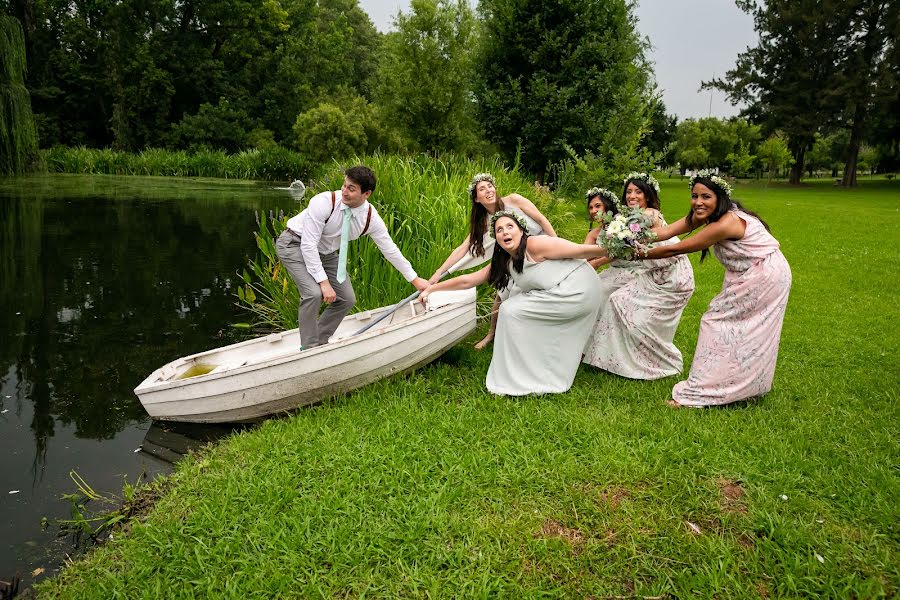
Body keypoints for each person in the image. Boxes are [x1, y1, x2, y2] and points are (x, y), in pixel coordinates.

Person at [640, 171, 791, 407]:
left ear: (719, 198)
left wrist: (637, 254)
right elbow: (667, 233)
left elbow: (676, 249)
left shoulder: (726, 222)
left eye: (706, 196)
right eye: (694, 196)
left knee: (718, 323)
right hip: (754, 272)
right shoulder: (707, 215)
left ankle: (699, 392)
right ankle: (741, 386)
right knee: (742, 330)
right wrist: (630, 236)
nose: (698, 202)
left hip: (765, 274)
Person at [421, 211, 608, 395]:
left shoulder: (536, 244)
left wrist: (615, 247)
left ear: (521, 231)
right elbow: (467, 280)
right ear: (497, 238)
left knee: (511, 310)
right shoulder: (504, 260)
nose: (505, 232)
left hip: (578, 289)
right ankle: (532, 369)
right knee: (513, 308)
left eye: (510, 227)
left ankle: (525, 372)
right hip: (559, 292)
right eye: (499, 229)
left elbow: (580, 250)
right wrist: (432, 288)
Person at [276, 165, 429, 349]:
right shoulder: (324, 202)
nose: (344, 192)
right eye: (344, 185)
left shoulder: (370, 218)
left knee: (347, 299)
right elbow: (308, 245)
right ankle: (308, 348)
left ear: (367, 194)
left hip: (325, 252)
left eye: (351, 189)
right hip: (294, 244)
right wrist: (324, 283)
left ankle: (320, 340)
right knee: (313, 294)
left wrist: (415, 279)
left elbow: (390, 250)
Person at [582, 173, 695, 379]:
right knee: (615, 300)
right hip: (652, 271)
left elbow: (645, 222)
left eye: (638, 191)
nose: (632, 196)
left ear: (648, 196)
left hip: (672, 274)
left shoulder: (651, 214)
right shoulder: (625, 219)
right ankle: (609, 357)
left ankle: (658, 361)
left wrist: (622, 227)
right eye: (629, 192)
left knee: (619, 301)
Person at [429, 173, 556, 350]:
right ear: (476, 198)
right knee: (501, 292)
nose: (488, 190)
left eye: (490, 185)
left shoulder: (514, 200)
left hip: (543, 248)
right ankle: (491, 334)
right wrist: (438, 273)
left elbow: (542, 219)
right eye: (482, 189)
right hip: (516, 257)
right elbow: (462, 248)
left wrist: (556, 243)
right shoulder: (485, 222)